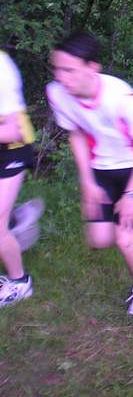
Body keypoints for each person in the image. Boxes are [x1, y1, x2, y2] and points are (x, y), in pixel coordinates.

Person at [47, 31, 133, 316]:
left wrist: (131, 195)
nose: (61, 77)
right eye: (57, 69)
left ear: (93, 67)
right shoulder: (56, 93)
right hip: (99, 168)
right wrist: (87, 182)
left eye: (69, 70)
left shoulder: (120, 96)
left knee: (125, 240)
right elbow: (76, 134)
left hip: (131, 168)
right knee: (98, 239)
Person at [0, 50, 43, 308]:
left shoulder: (1, 67)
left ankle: (19, 283)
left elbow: (13, 130)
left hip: (12, 148)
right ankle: (16, 220)